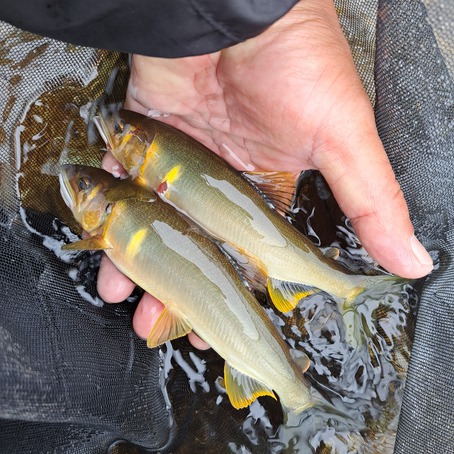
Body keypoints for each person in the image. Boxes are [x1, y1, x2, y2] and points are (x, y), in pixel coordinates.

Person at [1, 0, 433, 350]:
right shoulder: (139, 177)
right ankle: (346, 288)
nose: (111, 136)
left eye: (119, 133)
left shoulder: (137, 178)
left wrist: (289, 13)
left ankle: (349, 288)